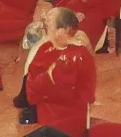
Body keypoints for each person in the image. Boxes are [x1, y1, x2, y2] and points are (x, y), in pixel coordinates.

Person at [20, 7, 96, 137]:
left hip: (68, 121)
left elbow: (81, 94)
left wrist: (45, 83)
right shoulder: (45, 48)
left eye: (49, 26)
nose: (46, 30)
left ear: (63, 30)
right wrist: (47, 79)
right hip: (46, 115)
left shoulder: (79, 54)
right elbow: (31, 87)